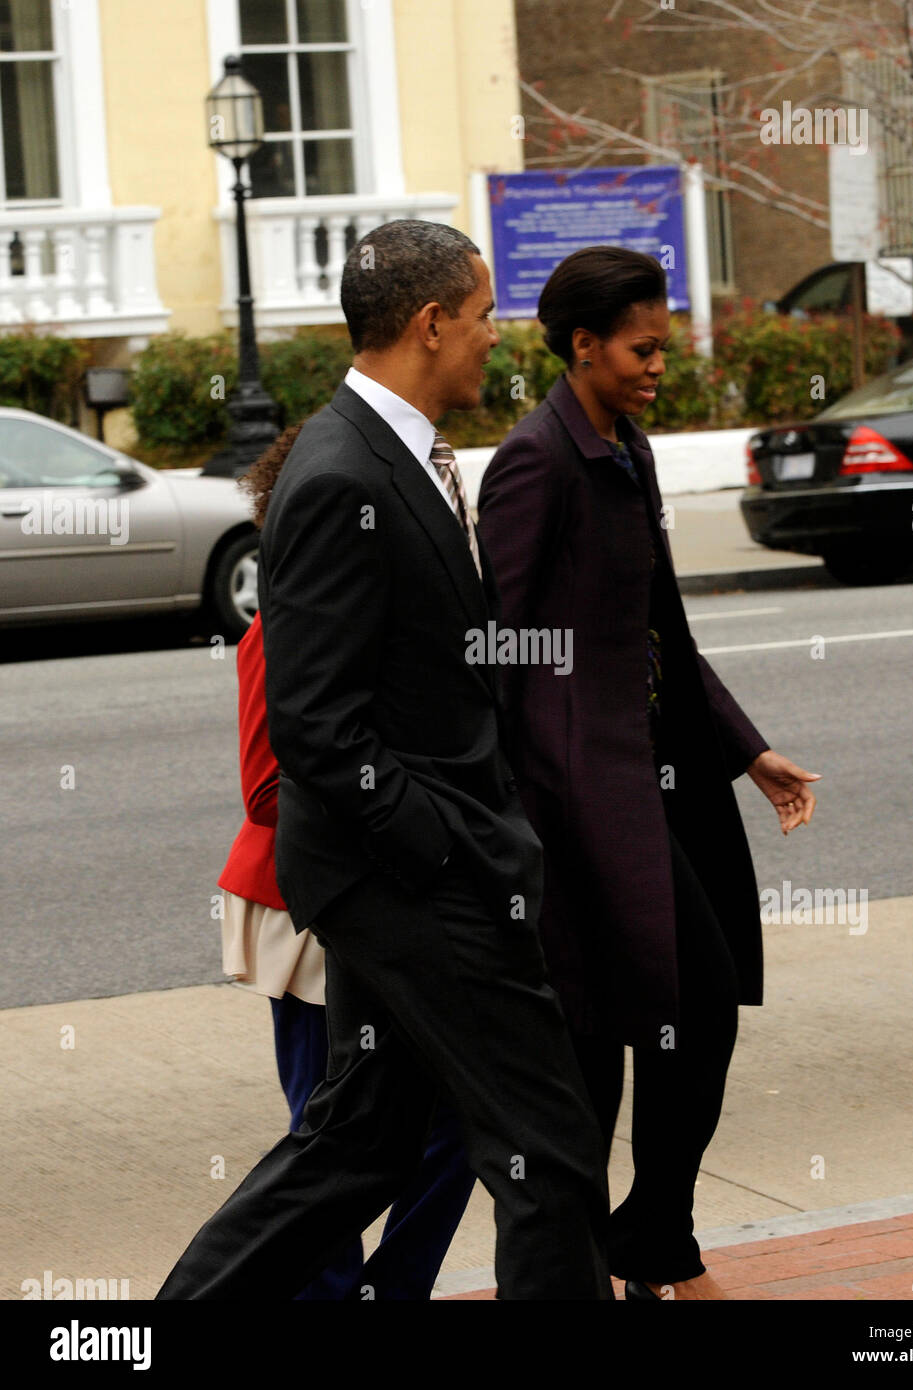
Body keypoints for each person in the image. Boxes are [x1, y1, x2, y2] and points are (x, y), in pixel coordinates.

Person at [156, 219, 614, 1301]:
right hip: (413, 884)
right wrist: (453, 848)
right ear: (430, 321)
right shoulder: (335, 473)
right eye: (485, 313)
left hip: (399, 878)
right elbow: (315, 724)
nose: (495, 338)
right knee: (547, 1152)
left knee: (353, 1147)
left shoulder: (398, 456)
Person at [476, 245, 821, 1302]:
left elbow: (659, 624)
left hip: (667, 774)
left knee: (696, 1009)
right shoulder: (534, 461)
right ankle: (633, 1250)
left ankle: (652, 1235)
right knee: (624, 1029)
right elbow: (497, 643)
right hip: (582, 800)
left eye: (662, 348)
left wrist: (744, 748)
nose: (656, 366)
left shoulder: (627, 444)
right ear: (582, 344)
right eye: (641, 348)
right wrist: (535, 791)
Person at [215, 423, 476, 1300]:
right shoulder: (282, 620)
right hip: (306, 911)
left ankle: (387, 1291)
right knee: (325, 1133)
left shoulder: (410, 601)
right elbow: (265, 792)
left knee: (457, 1125)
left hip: (398, 901)